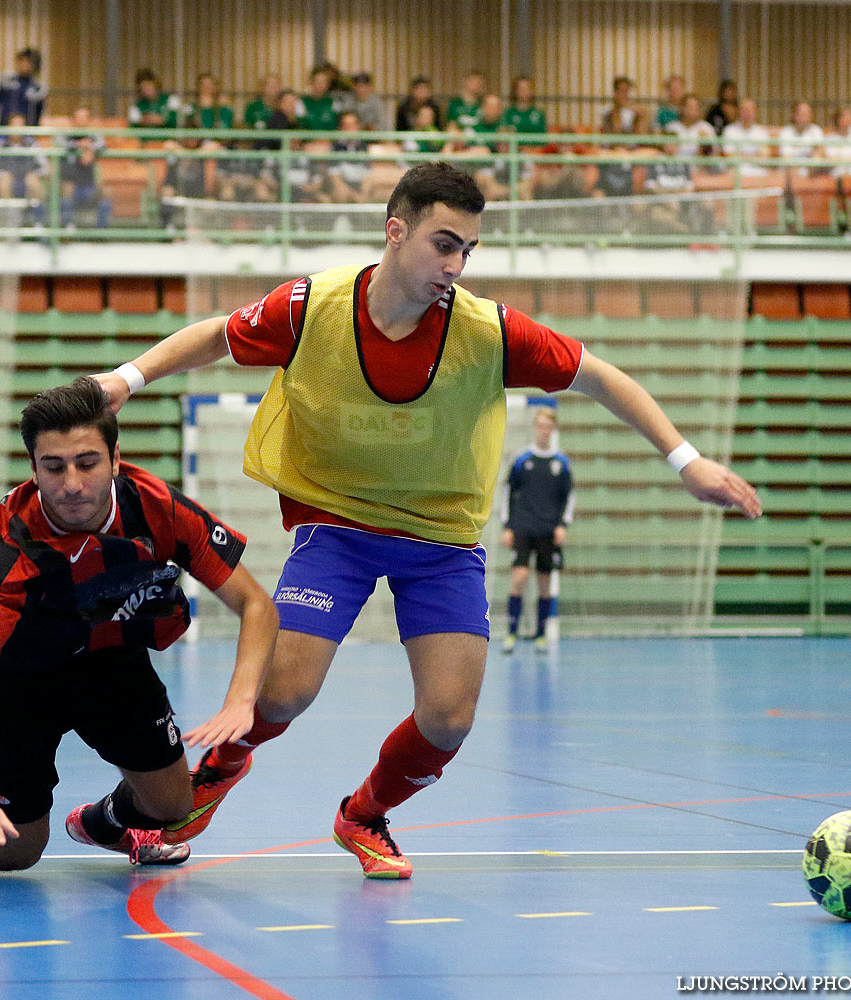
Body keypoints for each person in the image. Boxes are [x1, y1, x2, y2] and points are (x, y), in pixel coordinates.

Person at [94, 162, 761, 879]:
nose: (457, 264)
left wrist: (684, 459)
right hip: (337, 523)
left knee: (448, 718)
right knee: (283, 692)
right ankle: (208, 781)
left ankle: (363, 814)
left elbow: (602, 377)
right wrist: (124, 380)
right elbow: (217, 336)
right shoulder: (310, 306)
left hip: (441, 539)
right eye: (445, 244)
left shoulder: (487, 331)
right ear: (396, 231)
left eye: (468, 250)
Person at [0, 378, 278, 875]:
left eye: (87, 463)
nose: (72, 483)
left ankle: (102, 823)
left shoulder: (156, 508)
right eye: (54, 466)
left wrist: (242, 699)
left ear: (115, 458)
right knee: (12, 848)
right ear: (33, 468)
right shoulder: (9, 545)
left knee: (175, 806)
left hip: (111, 664)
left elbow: (256, 605)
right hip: (19, 683)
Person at [499, 406, 573, 653]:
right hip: (523, 526)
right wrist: (508, 526)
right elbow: (508, 492)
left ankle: (541, 635)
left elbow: (568, 496)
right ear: (535, 428)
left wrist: (562, 524)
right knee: (519, 578)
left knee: (544, 582)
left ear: (553, 430)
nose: (544, 431)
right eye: (540, 426)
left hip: (548, 530)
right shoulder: (522, 459)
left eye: (548, 427)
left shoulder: (561, 462)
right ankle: (511, 633)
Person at [0, 48, 47, 127]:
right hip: (4, 130)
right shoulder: (7, 81)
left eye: (28, 61)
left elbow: (39, 113)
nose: (24, 64)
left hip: (28, 132)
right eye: (21, 60)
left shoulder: (38, 88)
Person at [299, 65, 341, 132]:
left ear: (328, 84)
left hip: (329, 141)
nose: (320, 84)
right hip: (308, 142)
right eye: (317, 81)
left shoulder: (334, 103)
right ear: (311, 82)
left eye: (323, 81)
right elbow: (300, 127)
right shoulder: (301, 102)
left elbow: (337, 127)